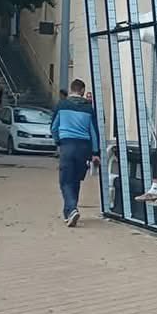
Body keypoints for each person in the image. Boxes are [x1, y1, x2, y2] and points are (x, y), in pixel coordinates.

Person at [51, 79, 101, 228]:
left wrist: (58, 141)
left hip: (67, 145)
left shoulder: (62, 105)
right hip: (84, 148)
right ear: (83, 91)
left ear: (71, 90)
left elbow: (54, 127)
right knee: (76, 180)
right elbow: (93, 131)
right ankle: (69, 213)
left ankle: (72, 209)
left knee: (65, 181)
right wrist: (95, 152)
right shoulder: (89, 109)